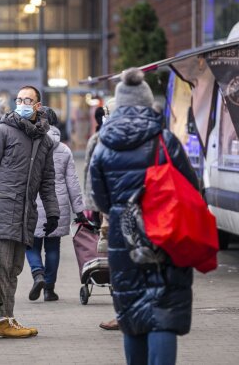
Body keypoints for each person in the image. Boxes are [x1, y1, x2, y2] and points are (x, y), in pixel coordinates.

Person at [90, 68, 198, 365]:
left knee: (132, 311)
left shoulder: (103, 145)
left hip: (124, 239)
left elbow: (99, 198)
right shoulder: (165, 140)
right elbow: (191, 188)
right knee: (163, 312)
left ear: (120, 105)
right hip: (165, 235)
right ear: (149, 104)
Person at [0, 85, 59, 338]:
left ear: (38, 106)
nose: (22, 102)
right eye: (19, 99)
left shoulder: (44, 141)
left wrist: (52, 212)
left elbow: (47, 181)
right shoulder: (1, 132)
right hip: (1, 208)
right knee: (1, 266)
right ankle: (1, 320)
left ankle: (7, 318)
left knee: (14, 269)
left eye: (28, 99)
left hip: (25, 213)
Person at [26, 107, 86, 302]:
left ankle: (38, 274)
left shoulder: (29, 144)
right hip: (57, 205)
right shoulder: (64, 149)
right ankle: (49, 290)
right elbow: (73, 183)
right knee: (53, 247)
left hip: (33, 202)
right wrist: (79, 210)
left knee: (31, 244)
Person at [83, 103, 120, 331]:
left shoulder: (100, 140)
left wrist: (96, 210)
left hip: (118, 215)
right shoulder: (159, 136)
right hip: (150, 218)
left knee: (119, 265)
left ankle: (124, 314)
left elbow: (92, 175)